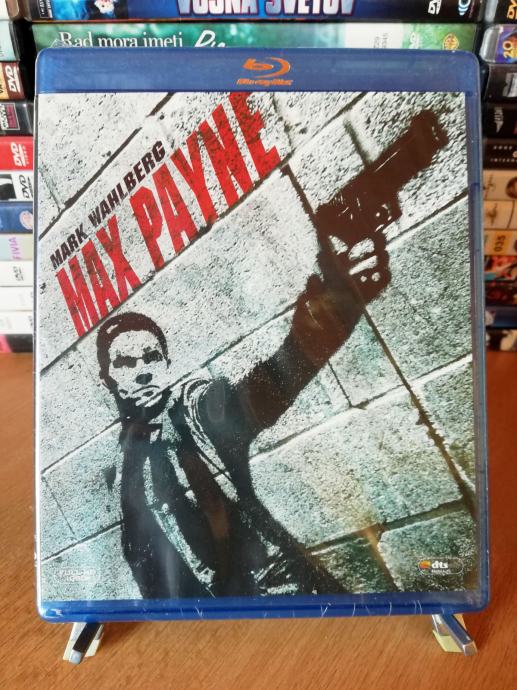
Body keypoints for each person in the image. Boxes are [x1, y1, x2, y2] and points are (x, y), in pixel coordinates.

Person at [95, 190, 390, 600]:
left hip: (279, 594)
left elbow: (262, 391)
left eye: (151, 357)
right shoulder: (119, 465)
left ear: (166, 362)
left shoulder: (192, 412)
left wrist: (334, 306)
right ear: (106, 378)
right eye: (125, 362)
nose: (142, 370)